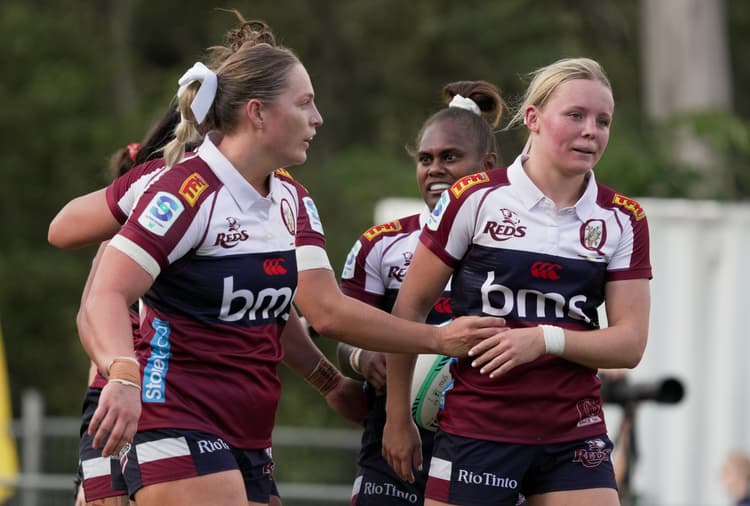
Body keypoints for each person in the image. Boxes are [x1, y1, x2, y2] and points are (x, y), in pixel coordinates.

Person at [73, 16, 505, 506]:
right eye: (304, 104)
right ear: (257, 114)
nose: (317, 118)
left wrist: (329, 380)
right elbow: (103, 292)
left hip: (250, 432)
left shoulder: (290, 200)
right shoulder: (186, 190)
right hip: (172, 412)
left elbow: (323, 311)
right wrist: (122, 372)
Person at [382, 57, 652, 506]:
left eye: (603, 121)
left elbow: (629, 344)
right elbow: (408, 310)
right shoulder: (473, 198)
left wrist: (545, 339)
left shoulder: (623, 218)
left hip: (574, 434)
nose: (592, 131)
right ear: (533, 119)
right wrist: (396, 416)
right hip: (479, 430)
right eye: (576, 115)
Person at [336, 80, 504, 505]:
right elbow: (343, 337)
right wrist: (363, 357)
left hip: (489, 433)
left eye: (451, 157)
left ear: (488, 164)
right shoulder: (381, 243)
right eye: (425, 159)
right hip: (392, 433)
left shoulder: (518, 245)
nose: (435, 169)